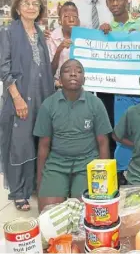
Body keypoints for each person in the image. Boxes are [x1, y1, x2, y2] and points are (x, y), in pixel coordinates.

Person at [0, 0, 54, 211]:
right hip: (19, 97)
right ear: (18, 7)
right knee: (19, 143)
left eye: (35, 4)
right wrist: (17, 98)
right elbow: (4, 68)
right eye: (26, 3)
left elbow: (43, 66)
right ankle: (19, 191)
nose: (31, 7)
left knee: (36, 140)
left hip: (41, 95)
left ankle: (32, 185)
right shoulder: (8, 31)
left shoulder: (40, 33)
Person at [33, 59, 112, 212]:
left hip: (87, 163)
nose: (73, 73)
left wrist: (104, 178)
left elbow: (103, 143)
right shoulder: (48, 105)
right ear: (60, 79)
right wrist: (40, 182)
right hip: (57, 163)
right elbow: (43, 146)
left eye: (79, 71)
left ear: (84, 79)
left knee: (87, 214)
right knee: (48, 215)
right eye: (67, 70)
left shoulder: (96, 103)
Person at [100, 0, 140, 184]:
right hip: (117, 92)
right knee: (120, 131)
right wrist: (101, 35)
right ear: (107, 3)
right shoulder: (106, 29)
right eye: (111, 0)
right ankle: (120, 172)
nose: (115, 3)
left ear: (126, 0)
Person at [73, 0, 114, 157]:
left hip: (107, 72)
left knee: (107, 115)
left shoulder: (112, 3)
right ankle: (85, 155)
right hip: (83, 71)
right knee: (84, 114)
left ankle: (107, 156)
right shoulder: (75, 4)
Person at [47, 1, 80, 88]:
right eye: (66, 16)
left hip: (81, 88)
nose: (71, 19)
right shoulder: (51, 39)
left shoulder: (85, 38)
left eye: (75, 17)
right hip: (59, 87)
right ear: (59, 21)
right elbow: (50, 72)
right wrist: (59, 49)